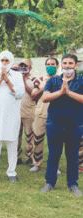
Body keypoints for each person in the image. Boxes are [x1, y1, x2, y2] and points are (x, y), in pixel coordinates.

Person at [41, 54, 83, 196]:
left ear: (75, 65)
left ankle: (72, 184)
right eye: (64, 63)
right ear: (61, 65)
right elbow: (45, 97)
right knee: (53, 155)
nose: (67, 66)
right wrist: (60, 92)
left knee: (72, 156)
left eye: (70, 63)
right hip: (54, 124)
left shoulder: (81, 81)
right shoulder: (53, 81)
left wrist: (69, 92)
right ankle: (50, 183)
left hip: (75, 125)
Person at [0, 51, 25, 183]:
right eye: (2, 60)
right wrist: (0, 79)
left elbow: (20, 94)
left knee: (12, 144)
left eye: (7, 61)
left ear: (11, 61)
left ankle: (11, 172)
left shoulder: (17, 75)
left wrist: (7, 81)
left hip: (11, 115)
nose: (4, 63)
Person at [30, 58, 59, 172]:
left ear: (57, 66)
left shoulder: (62, 80)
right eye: (48, 64)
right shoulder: (39, 80)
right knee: (37, 139)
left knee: (55, 142)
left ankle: (54, 166)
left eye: (53, 64)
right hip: (40, 114)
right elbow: (33, 96)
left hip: (56, 115)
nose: (50, 66)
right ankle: (37, 164)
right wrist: (44, 87)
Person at [17, 59, 36, 165]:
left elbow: (34, 95)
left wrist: (24, 82)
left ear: (30, 68)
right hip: (16, 112)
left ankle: (29, 157)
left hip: (29, 112)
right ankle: (17, 157)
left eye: (26, 66)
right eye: (21, 66)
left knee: (29, 136)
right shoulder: (15, 78)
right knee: (16, 136)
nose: (23, 69)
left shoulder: (34, 80)